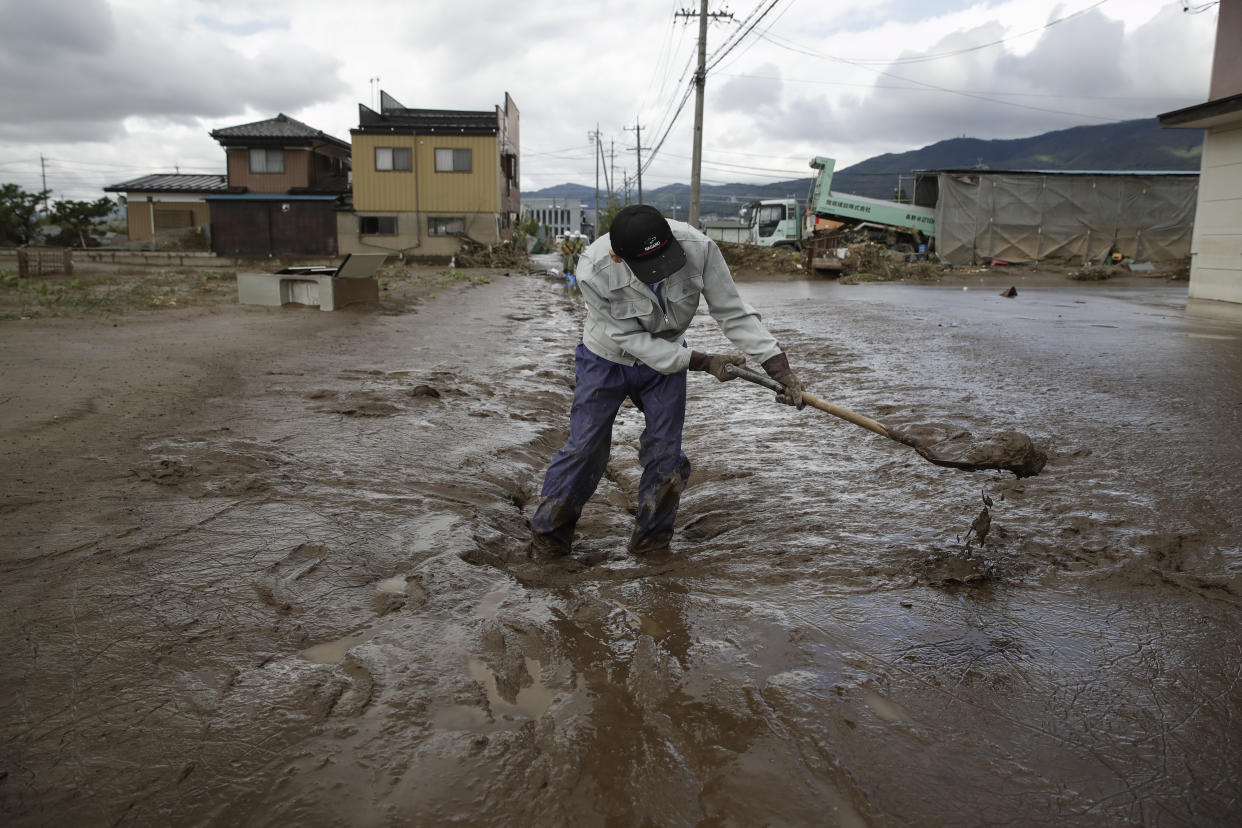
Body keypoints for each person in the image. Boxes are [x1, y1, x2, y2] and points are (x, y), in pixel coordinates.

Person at [529, 204, 804, 559]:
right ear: (617, 256)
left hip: (668, 357)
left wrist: (779, 368)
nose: (658, 274)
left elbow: (731, 311)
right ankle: (549, 541)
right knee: (586, 448)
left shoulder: (699, 248)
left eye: (664, 260)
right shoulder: (593, 270)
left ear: (672, 240)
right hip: (606, 358)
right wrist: (703, 361)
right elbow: (630, 339)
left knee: (666, 453)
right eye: (648, 269)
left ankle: (651, 545)